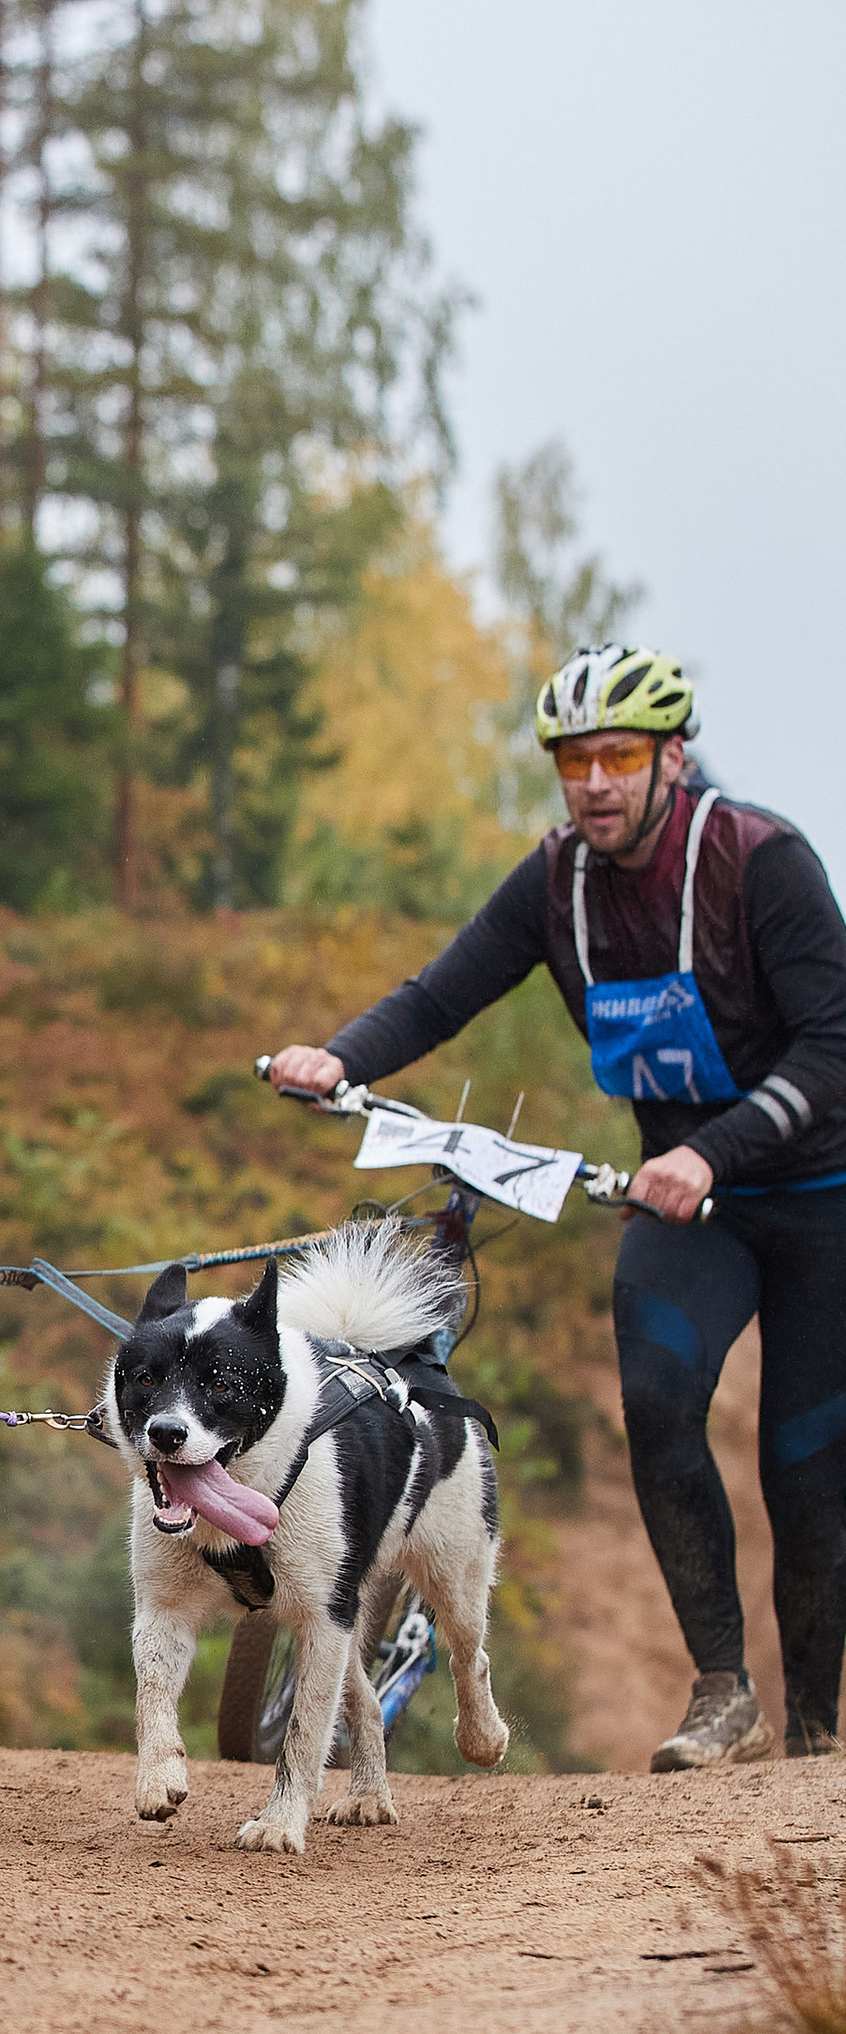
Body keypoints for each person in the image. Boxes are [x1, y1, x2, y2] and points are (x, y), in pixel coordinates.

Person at [269, 642, 846, 1770]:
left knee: (804, 1466)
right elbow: (442, 994)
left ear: (671, 758)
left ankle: (819, 1734)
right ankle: (723, 1689)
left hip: (821, 1195)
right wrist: (340, 1058)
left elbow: (835, 1044)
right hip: (687, 1207)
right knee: (660, 1400)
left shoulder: (757, 862)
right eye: (574, 760)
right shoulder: (557, 884)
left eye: (618, 756)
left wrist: (712, 1151)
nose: (593, 781)